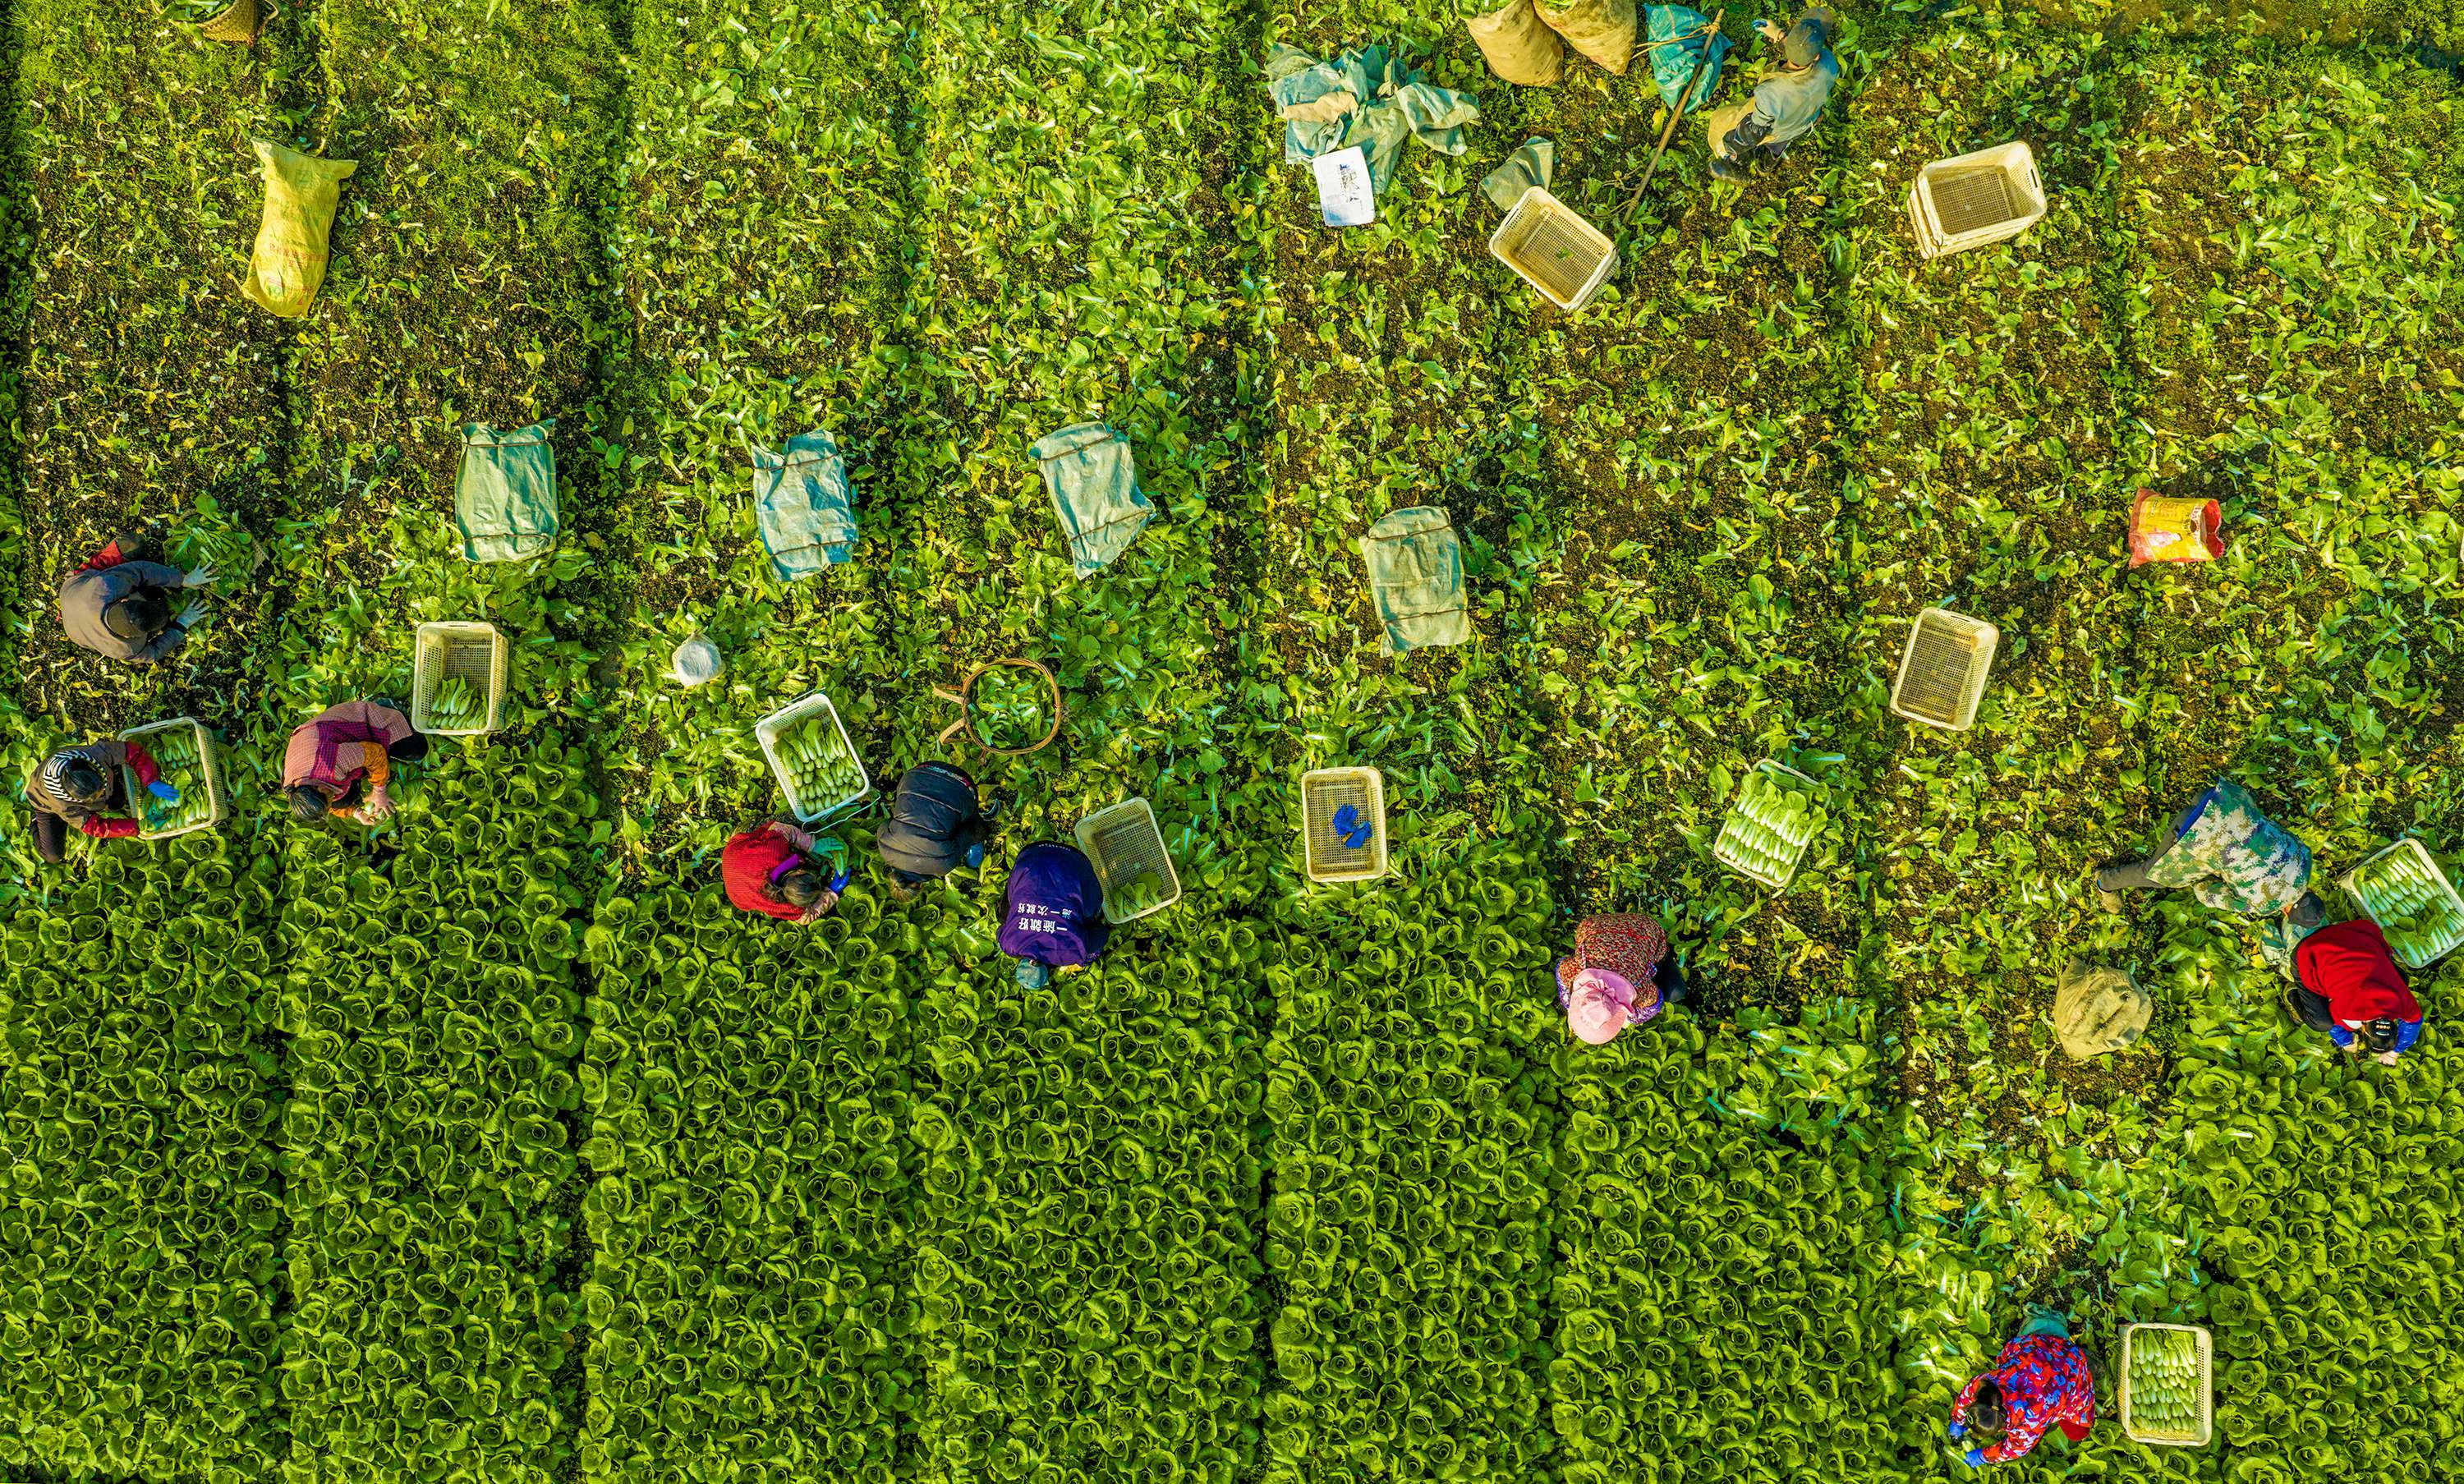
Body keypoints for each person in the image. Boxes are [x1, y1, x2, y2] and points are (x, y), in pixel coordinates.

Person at [2094, 778, 2324, 969]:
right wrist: (2206, 877)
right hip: (2194, 829)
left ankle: (2197, 800)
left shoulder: (2305, 858)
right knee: (2156, 876)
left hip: (2224, 800)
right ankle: (2105, 881)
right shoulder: (2264, 905)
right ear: (2287, 913)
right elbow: (2205, 894)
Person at [1949, 1306, 2096, 1465]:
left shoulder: (2029, 1423)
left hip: (2074, 1373)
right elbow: (1966, 1395)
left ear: (2001, 1429)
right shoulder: (1988, 1381)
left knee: (2078, 1433)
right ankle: (2050, 1331)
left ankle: (2086, 1363)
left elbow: (2012, 1450)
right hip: (2047, 1349)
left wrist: (1982, 1456)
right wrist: (1957, 1419)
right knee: (2028, 1348)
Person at [1705, 7, 1839, 181]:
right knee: (1779, 145)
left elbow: (1754, 131)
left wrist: (1729, 150)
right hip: (1807, 120)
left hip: (1777, 129)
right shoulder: (1829, 63)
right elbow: (1803, 54)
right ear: (1816, 57)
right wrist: (1780, 34)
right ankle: (1765, 166)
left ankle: (1746, 165)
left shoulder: (1770, 94)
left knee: (1723, 122)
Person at [57, 533, 215, 664]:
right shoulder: (123, 649)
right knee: (156, 596)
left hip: (78, 587)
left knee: (134, 545)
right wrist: (183, 623)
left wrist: (183, 579)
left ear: (123, 600)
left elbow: (140, 570)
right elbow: (154, 653)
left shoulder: (107, 585)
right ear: (127, 637)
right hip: (78, 625)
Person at [2287, 917, 2424, 1066]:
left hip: (2353, 932)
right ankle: (2293, 994)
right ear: (2363, 1029)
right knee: (2321, 1023)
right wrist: (2347, 1043)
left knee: (2402, 979)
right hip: (2309, 950)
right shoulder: (2349, 1015)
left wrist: (2394, 1052)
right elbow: (2335, 1027)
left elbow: (2414, 1022)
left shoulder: (2402, 1001)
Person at [25, 737, 178, 865]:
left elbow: (132, 751)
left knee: (117, 802)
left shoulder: (95, 754)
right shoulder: (65, 807)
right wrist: (138, 826)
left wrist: (151, 780)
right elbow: (95, 827)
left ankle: (105, 791)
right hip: (44, 805)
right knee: (53, 855)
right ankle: (35, 821)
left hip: (88, 786)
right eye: (94, 797)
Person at [283, 700, 429, 825]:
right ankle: (364, 761)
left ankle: (386, 705)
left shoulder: (331, 763)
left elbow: (375, 752)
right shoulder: (294, 790)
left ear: (320, 788)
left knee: (417, 750)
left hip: (354, 721)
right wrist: (356, 813)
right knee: (342, 802)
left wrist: (379, 791)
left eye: (329, 799)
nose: (332, 800)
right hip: (333, 747)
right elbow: (330, 806)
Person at [1556, 912, 1689, 1045]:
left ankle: (1663, 954)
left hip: (1646, 931)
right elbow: (1561, 967)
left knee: (1676, 992)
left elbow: (1655, 1003)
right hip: (1598, 924)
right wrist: (1568, 1002)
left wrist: (1632, 1018)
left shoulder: (1638, 989)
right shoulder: (1578, 970)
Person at [876, 761, 996, 901]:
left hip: (959, 784)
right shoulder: (884, 848)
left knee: (972, 824)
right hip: (918, 774)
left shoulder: (943, 866)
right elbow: (886, 823)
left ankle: (977, 843)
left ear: (920, 886)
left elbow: (968, 831)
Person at [999, 842, 1109, 987]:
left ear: (1048, 973)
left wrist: (1087, 959)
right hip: (1032, 854)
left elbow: (1102, 933)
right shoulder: (1008, 944)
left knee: (1090, 915)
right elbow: (1002, 929)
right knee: (1004, 915)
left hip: (1077, 862)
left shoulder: (1072, 953)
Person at [722, 819, 847, 922]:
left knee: (783, 822)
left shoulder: (773, 851)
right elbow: (805, 917)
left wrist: (813, 845)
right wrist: (832, 892)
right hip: (736, 885)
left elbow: (782, 829)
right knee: (788, 819)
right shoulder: (783, 907)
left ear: (798, 872)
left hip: (734, 855)